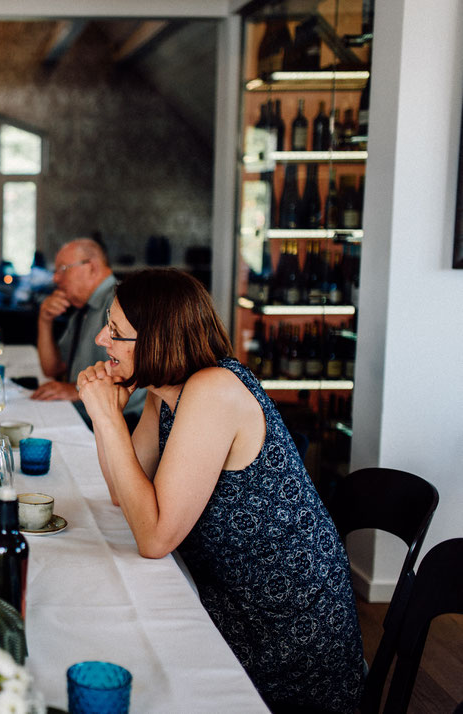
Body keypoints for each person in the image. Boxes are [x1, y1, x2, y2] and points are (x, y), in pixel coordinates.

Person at [76, 268, 364, 713]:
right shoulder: (165, 391)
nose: (101, 341)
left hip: (282, 631)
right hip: (226, 596)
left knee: (126, 652)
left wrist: (109, 420)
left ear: (158, 341)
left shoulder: (213, 390)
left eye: (115, 331)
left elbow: (154, 539)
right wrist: (106, 416)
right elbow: (121, 493)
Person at [32, 238, 145, 421]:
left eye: (62, 269)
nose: (55, 278)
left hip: (124, 421)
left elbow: (140, 374)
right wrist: (45, 321)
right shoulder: (83, 310)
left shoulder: (122, 302)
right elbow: (53, 368)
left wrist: (74, 389)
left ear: (91, 267)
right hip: (82, 414)